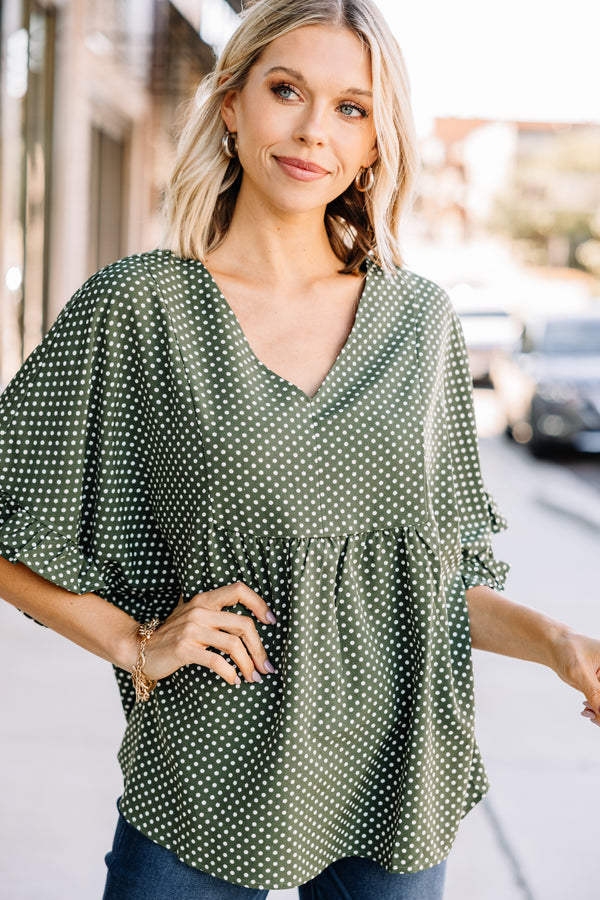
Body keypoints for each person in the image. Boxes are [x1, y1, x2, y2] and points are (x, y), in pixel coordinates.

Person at [0, 0, 598, 897]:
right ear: (232, 105)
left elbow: (421, 581)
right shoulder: (138, 310)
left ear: (373, 145)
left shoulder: (419, 319)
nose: (314, 128)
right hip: (199, 784)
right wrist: (133, 642)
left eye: (351, 108)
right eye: (288, 90)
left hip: (394, 779)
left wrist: (561, 645)